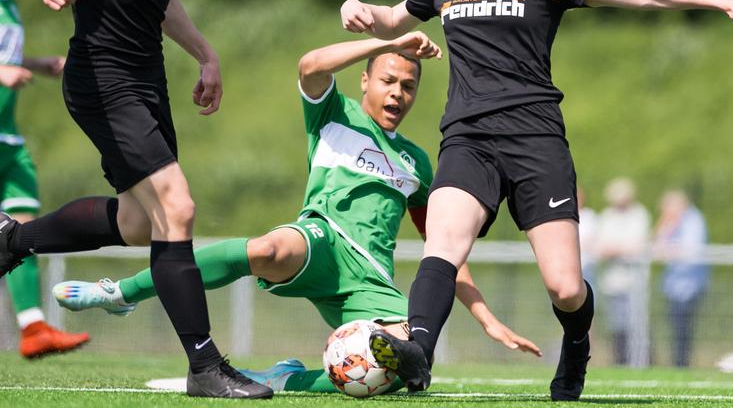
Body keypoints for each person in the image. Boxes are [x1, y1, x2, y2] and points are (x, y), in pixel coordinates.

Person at [338, 0, 733, 400]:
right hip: (468, 138)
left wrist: (723, 0)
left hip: (535, 140)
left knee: (565, 288)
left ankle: (578, 344)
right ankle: (419, 353)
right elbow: (390, 21)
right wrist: (356, 7)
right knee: (444, 243)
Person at [52, 32, 541, 393]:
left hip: (369, 280)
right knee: (268, 247)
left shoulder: (417, 162)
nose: (397, 93)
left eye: (409, 86)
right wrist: (385, 38)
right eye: (388, 80)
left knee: (402, 372)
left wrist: (486, 318)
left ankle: (287, 379)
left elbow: (445, 247)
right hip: (320, 239)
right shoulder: (335, 114)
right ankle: (121, 292)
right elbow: (310, 65)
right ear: (366, 79)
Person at [0, 0, 271, 398]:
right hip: (102, 78)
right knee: (177, 207)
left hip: (145, 79)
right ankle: (206, 367)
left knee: (138, 222)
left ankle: (13, 239)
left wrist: (207, 53)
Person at [0, 0, 91, 358]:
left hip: (9, 142)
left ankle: (33, 327)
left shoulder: (9, 4)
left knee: (19, 234)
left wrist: (36, 64)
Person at [595, 177, 650, 365]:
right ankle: (620, 361)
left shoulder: (639, 214)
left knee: (636, 326)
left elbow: (637, 246)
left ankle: (639, 361)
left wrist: (617, 249)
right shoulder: (607, 216)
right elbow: (601, 246)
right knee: (617, 326)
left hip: (634, 282)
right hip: (613, 282)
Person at [652, 189, 709, 368]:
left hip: (690, 285)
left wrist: (669, 250)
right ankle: (678, 363)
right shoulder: (672, 222)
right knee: (676, 327)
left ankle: (682, 363)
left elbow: (691, 251)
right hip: (674, 286)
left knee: (684, 328)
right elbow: (657, 247)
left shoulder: (694, 220)